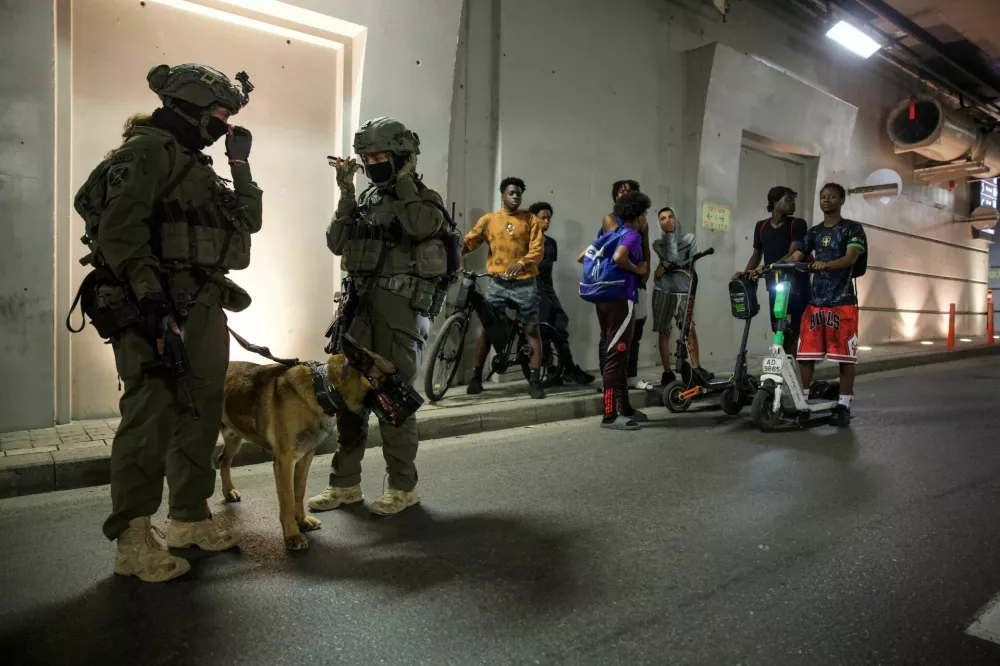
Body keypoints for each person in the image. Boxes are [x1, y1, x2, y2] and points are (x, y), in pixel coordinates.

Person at [83, 63, 261, 582]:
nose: (224, 125)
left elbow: (246, 221)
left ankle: (188, 516)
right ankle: (134, 537)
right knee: (150, 416)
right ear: (186, 107)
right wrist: (151, 300)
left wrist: (240, 164)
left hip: (202, 304)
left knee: (201, 414)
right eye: (220, 115)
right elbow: (120, 232)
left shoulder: (195, 162)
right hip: (153, 305)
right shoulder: (143, 153)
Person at [310, 117, 449, 516]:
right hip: (360, 307)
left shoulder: (424, 199)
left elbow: (421, 227)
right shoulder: (368, 199)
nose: (370, 163)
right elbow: (337, 242)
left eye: (379, 156)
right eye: (365, 157)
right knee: (348, 395)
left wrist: (405, 181)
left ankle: (403, 488)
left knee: (392, 397)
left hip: (399, 311)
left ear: (403, 157)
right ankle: (345, 484)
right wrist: (346, 193)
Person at [786, 182, 867, 426]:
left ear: (841, 200)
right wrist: (768, 268)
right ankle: (803, 400)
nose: (826, 200)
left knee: (844, 357)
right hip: (815, 301)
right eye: (823, 196)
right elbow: (797, 256)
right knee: (805, 356)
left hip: (842, 301)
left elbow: (850, 258)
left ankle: (843, 405)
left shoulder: (853, 229)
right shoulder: (813, 232)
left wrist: (825, 264)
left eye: (832, 196)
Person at [463, 177, 547, 399]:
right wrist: (453, 254)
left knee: (531, 331)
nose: (516, 196)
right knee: (488, 329)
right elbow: (470, 241)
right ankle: (476, 377)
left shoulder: (530, 219)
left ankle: (535, 381)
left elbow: (538, 249)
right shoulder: (489, 220)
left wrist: (522, 262)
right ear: (502, 194)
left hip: (525, 283)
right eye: (512, 192)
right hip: (498, 283)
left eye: (519, 193)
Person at [580, 190, 651, 430]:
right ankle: (609, 415)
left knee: (619, 354)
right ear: (639, 216)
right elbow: (621, 257)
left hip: (603, 299)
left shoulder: (612, 234)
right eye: (645, 215)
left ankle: (625, 407)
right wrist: (636, 269)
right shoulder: (631, 236)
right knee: (616, 355)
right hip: (621, 300)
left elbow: (583, 257)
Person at [736, 186, 809, 356]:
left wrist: (769, 267)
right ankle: (782, 366)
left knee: (793, 329)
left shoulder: (797, 224)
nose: (793, 204)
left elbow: (793, 253)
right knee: (778, 328)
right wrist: (746, 273)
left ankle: (792, 369)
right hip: (774, 284)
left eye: (793, 200)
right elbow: (757, 254)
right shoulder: (761, 226)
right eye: (788, 200)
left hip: (795, 286)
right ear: (775, 202)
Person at [528, 201, 595, 385]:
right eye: (543, 218)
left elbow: (547, 271)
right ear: (534, 219)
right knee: (544, 328)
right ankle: (552, 368)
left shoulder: (551, 244)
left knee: (559, 326)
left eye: (549, 218)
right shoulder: (526, 242)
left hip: (548, 290)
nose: (547, 221)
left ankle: (566, 367)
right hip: (533, 290)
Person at [599, 180, 654, 393]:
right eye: (621, 192)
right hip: (615, 284)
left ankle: (629, 377)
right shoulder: (611, 219)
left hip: (633, 282)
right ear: (615, 196)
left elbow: (644, 248)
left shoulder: (642, 224)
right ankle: (609, 381)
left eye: (630, 192)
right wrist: (635, 267)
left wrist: (645, 270)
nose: (625, 194)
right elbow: (621, 246)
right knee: (611, 335)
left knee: (634, 331)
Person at [651, 207, 712, 386]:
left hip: (685, 289)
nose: (667, 220)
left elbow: (678, 261)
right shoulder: (657, 243)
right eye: (662, 218)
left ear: (676, 219)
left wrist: (666, 265)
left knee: (688, 329)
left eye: (670, 217)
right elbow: (673, 259)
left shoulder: (689, 238)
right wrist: (667, 262)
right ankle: (667, 372)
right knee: (664, 331)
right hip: (664, 290)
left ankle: (696, 368)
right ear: (659, 223)